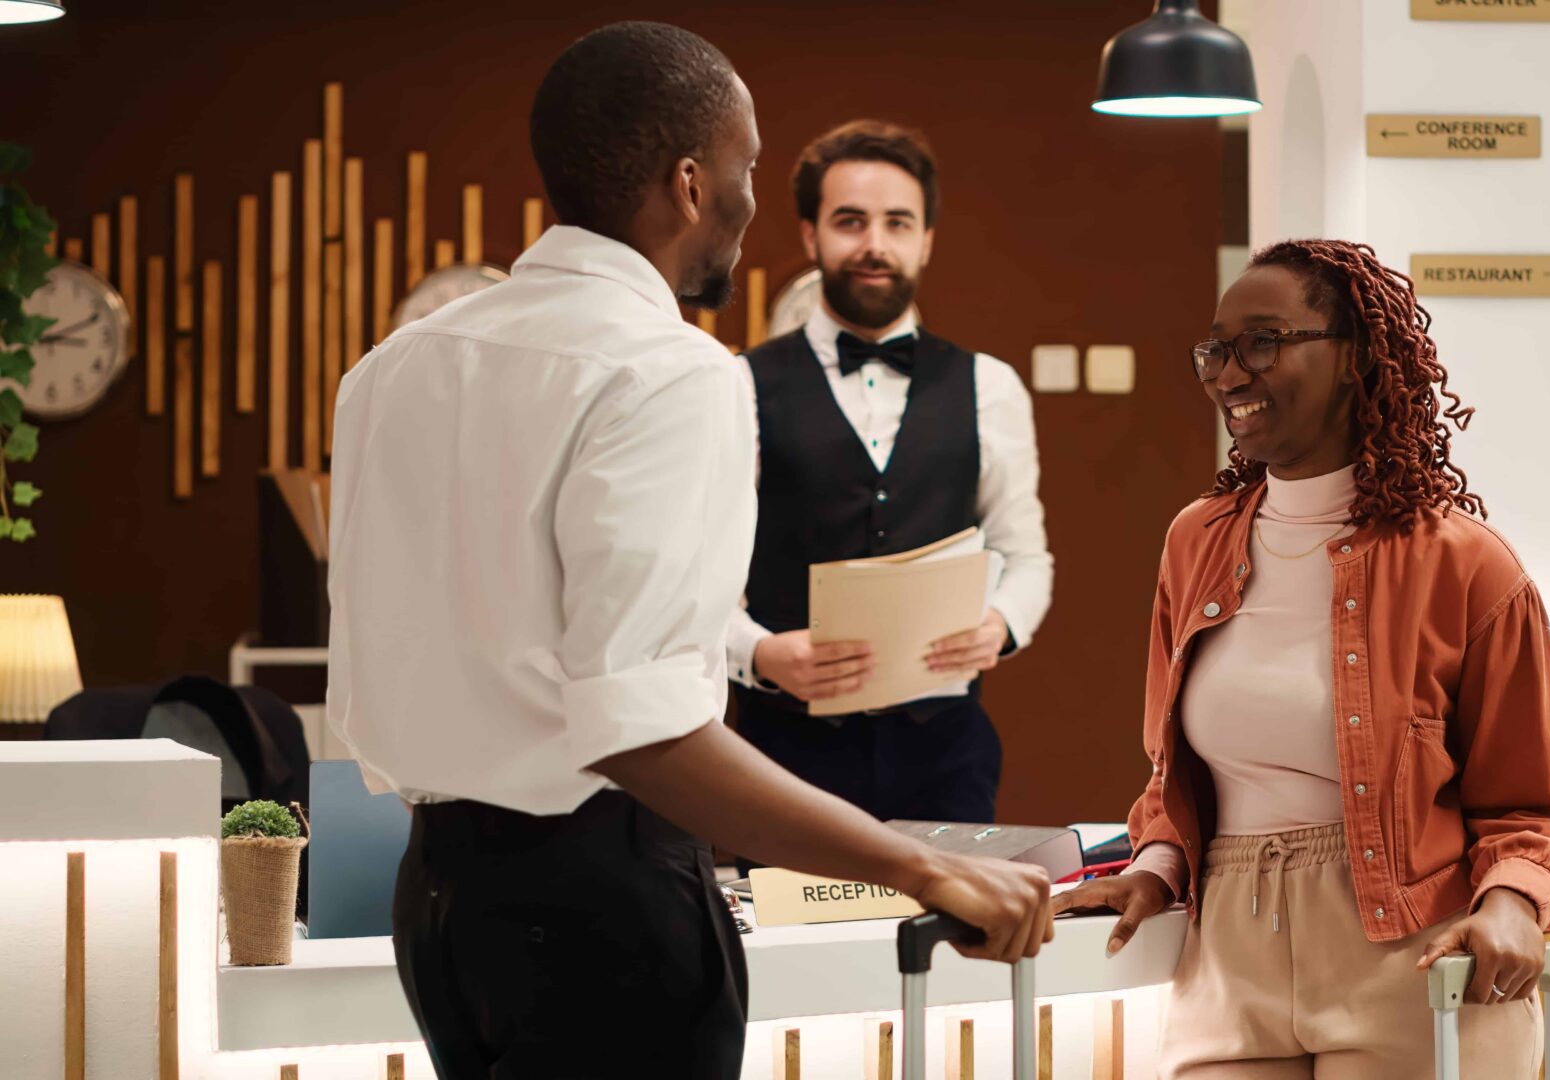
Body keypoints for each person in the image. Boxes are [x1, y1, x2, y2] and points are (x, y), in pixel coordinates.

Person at [326, 24, 1051, 1079]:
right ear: (689, 182)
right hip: (605, 913)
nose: (753, 199)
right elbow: (642, 730)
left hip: (436, 907)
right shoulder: (671, 370)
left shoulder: (388, 370)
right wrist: (921, 867)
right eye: (748, 167)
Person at [1050, 240, 1550, 1078]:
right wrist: (1157, 867)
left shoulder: (1464, 563)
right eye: (1217, 350)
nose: (1230, 374)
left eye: (1263, 342)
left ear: (1355, 357)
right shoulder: (1194, 542)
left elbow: (1539, 802)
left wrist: (1513, 903)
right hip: (1230, 954)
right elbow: (1173, 773)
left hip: (1412, 957)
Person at [726, 120, 1052, 831]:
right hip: (782, 754)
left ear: (927, 239)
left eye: (897, 223)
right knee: (793, 940)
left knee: (947, 940)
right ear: (810, 236)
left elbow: (1027, 555)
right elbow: (691, 578)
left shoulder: (990, 386)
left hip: (946, 754)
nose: (875, 244)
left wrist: (1001, 623)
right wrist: (757, 654)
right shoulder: (737, 385)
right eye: (850, 221)